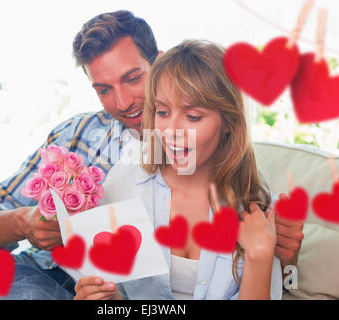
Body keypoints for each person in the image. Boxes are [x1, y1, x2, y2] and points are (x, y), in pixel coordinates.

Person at [0, 10, 303, 300]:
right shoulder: (81, 136)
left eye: (133, 79)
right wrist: (25, 222)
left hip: (53, 286)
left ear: (160, 63)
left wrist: (277, 259)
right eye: (103, 89)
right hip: (33, 261)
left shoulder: (236, 188)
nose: (123, 102)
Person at [74, 39, 282, 300]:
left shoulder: (257, 210)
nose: (171, 131)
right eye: (162, 112)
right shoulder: (123, 186)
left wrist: (260, 256)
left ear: (228, 123)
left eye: (192, 117)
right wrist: (107, 299)